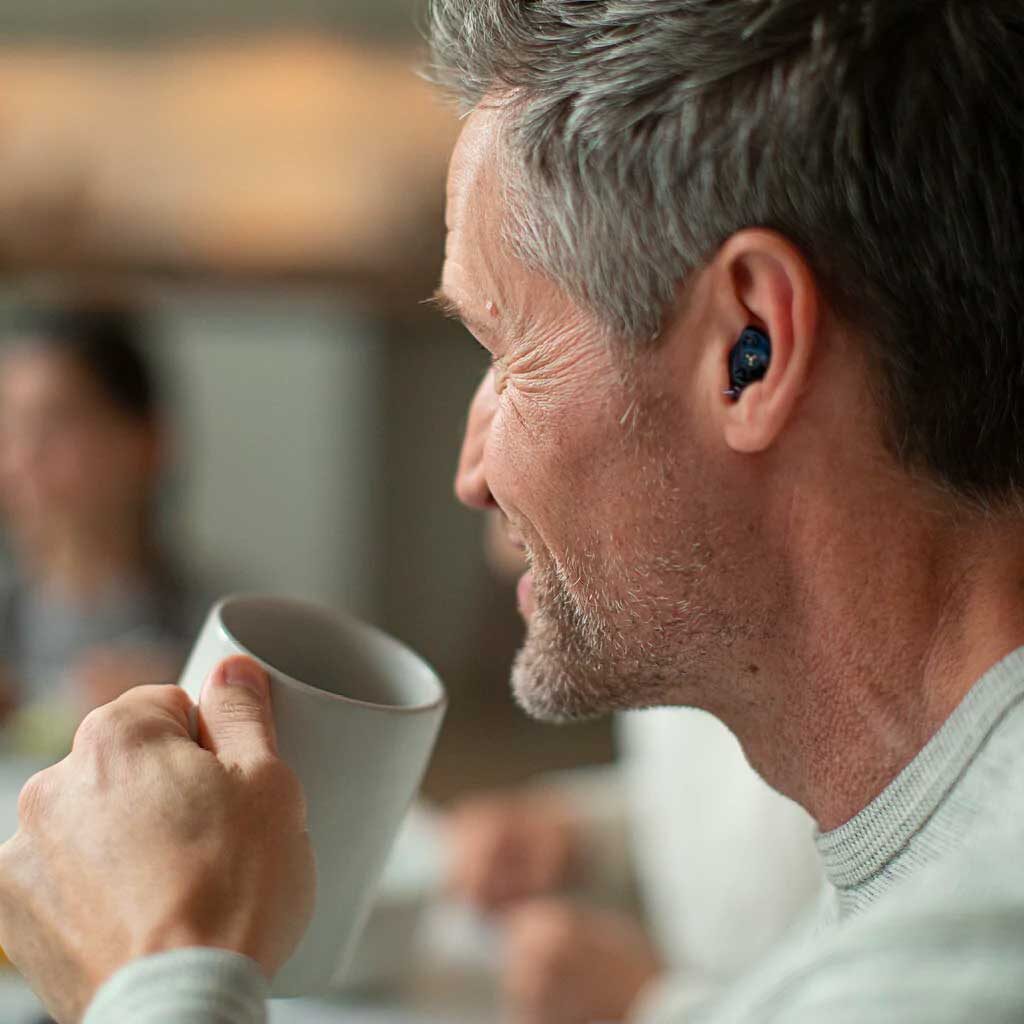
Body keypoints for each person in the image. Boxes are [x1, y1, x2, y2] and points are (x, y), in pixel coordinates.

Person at [2, 2, 1024, 1022]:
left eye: (505, 352)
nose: (471, 471)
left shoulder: (956, 961)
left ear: (749, 347)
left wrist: (156, 961)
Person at [447, 513, 823, 1022]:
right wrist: (584, 837)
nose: (472, 483)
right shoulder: (667, 633)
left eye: (512, 426)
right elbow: (753, 815)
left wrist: (655, 1006)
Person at [0, 305, 198, 757]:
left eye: (56, 422)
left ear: (149, 442)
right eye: (8, 427)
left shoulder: (225, 646)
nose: (23, 458)